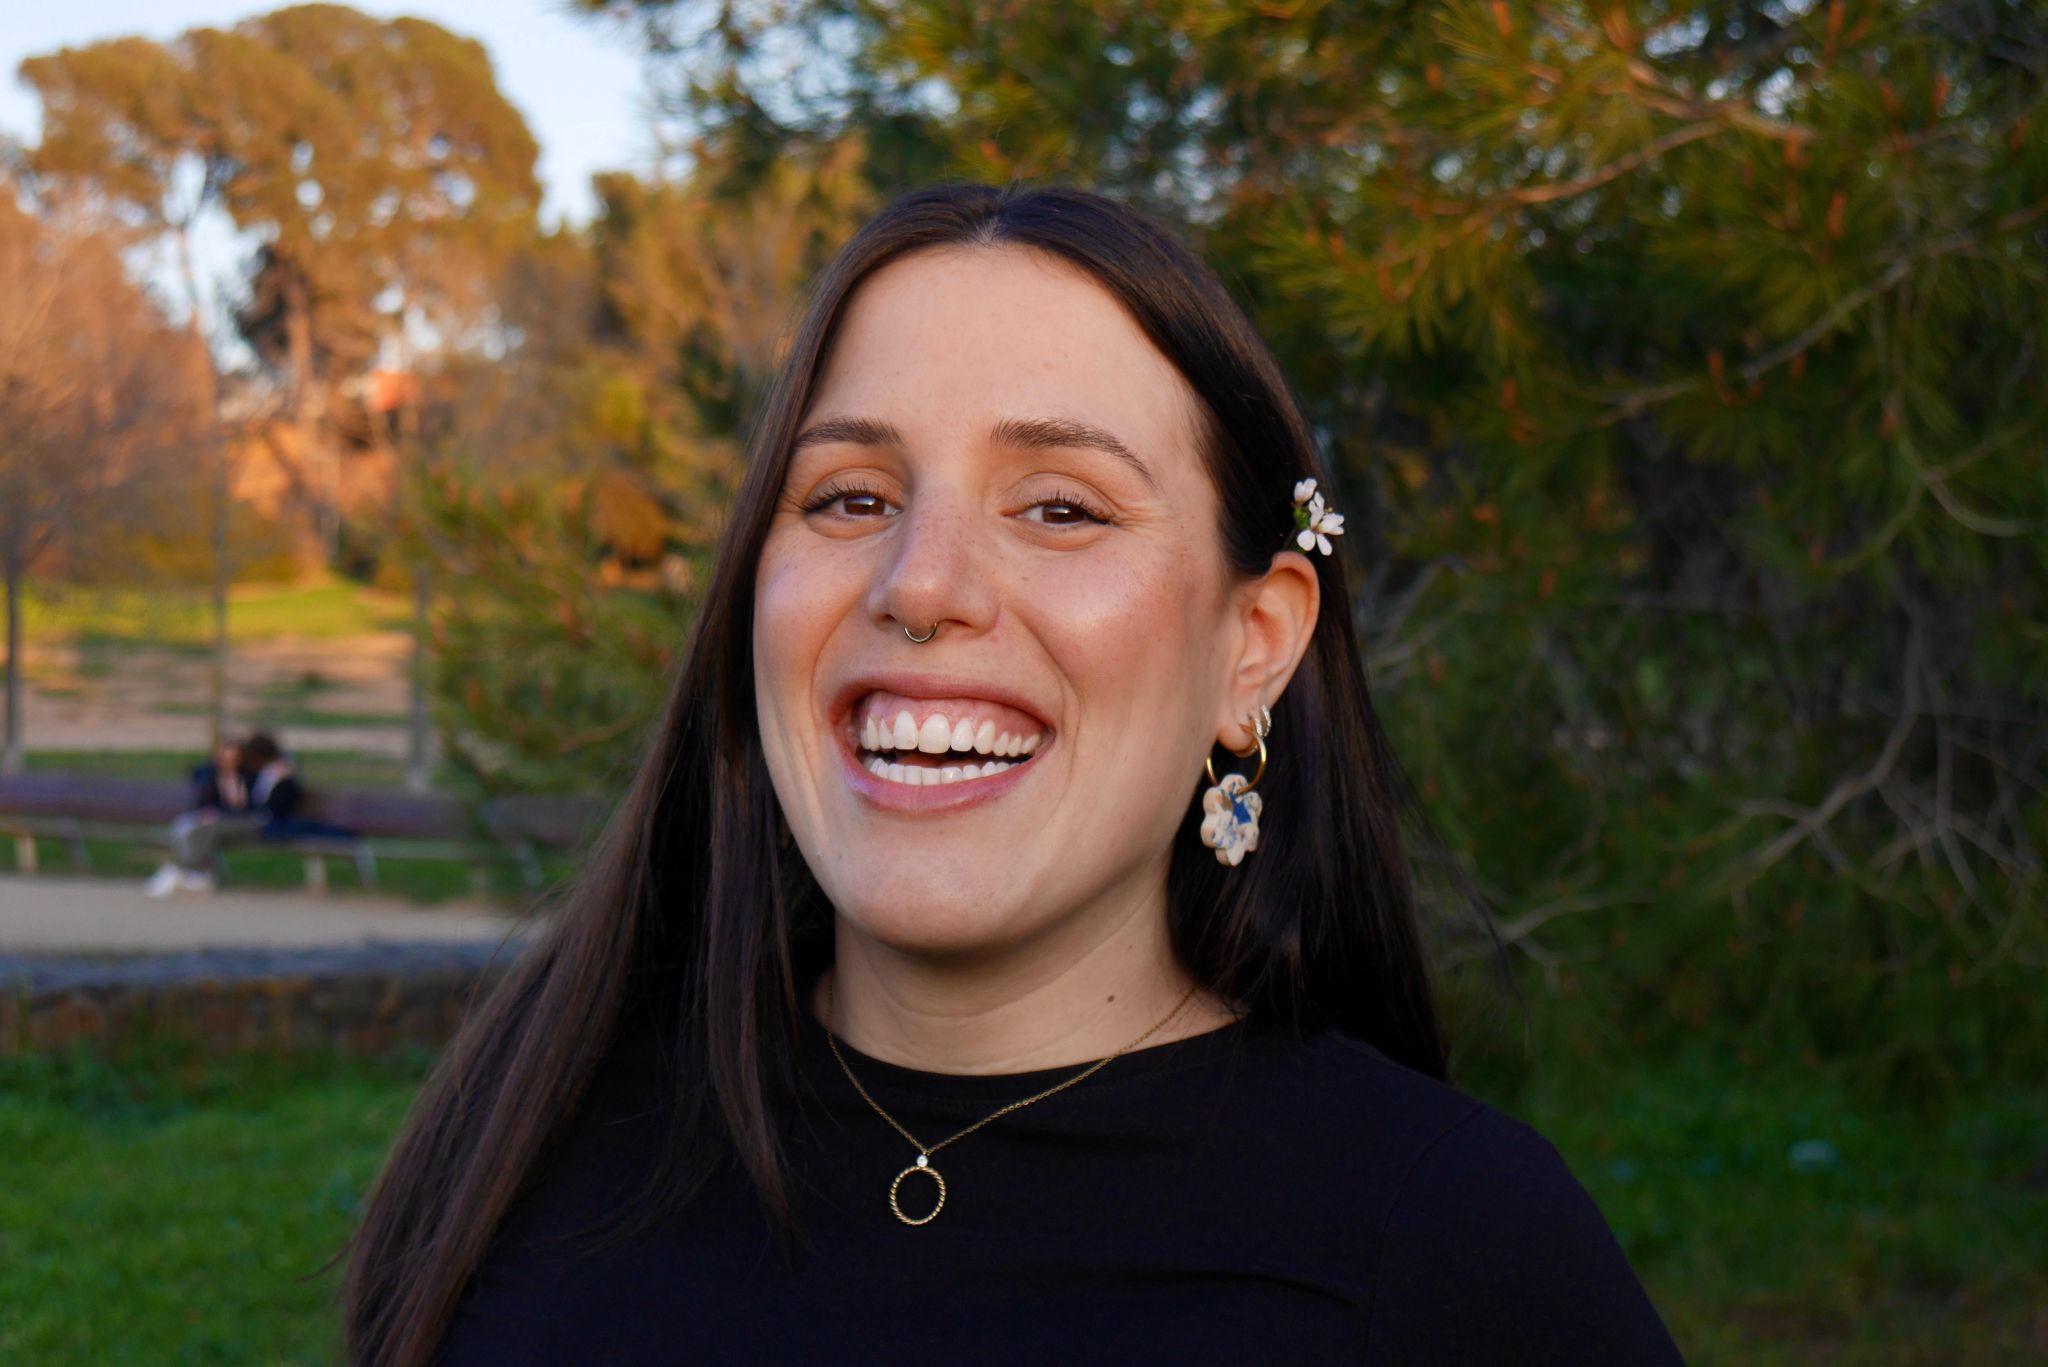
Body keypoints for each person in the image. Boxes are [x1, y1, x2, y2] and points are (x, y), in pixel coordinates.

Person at [340, 184, 1687, 1364]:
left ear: (1254, 644)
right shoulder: (529, 1154)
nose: (919, 582)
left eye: (1059, 506)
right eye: (851, 496)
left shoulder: (1453, 1253)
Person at [145, 730, 304, 897]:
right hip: (233, 821)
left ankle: (179, 871)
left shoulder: (267, 778)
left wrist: (277, 778)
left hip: (254, 823)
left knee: (201, 830)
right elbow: (206, 794)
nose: (230, 762)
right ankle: (191, 874)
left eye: (235, 758)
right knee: (189, 826)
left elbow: (264, 807)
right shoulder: (219, 775)